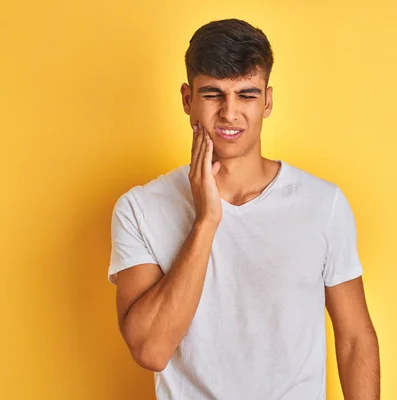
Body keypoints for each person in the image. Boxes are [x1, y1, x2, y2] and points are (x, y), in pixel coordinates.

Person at [108, 18, 380, 400]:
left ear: (267, 101)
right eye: (213, 94)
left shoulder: (322, 204)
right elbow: (151, 350)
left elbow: (354, 339)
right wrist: (206, 220)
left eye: (247, 95)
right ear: (187, 99)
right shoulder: (139, 208)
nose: (230, 113)